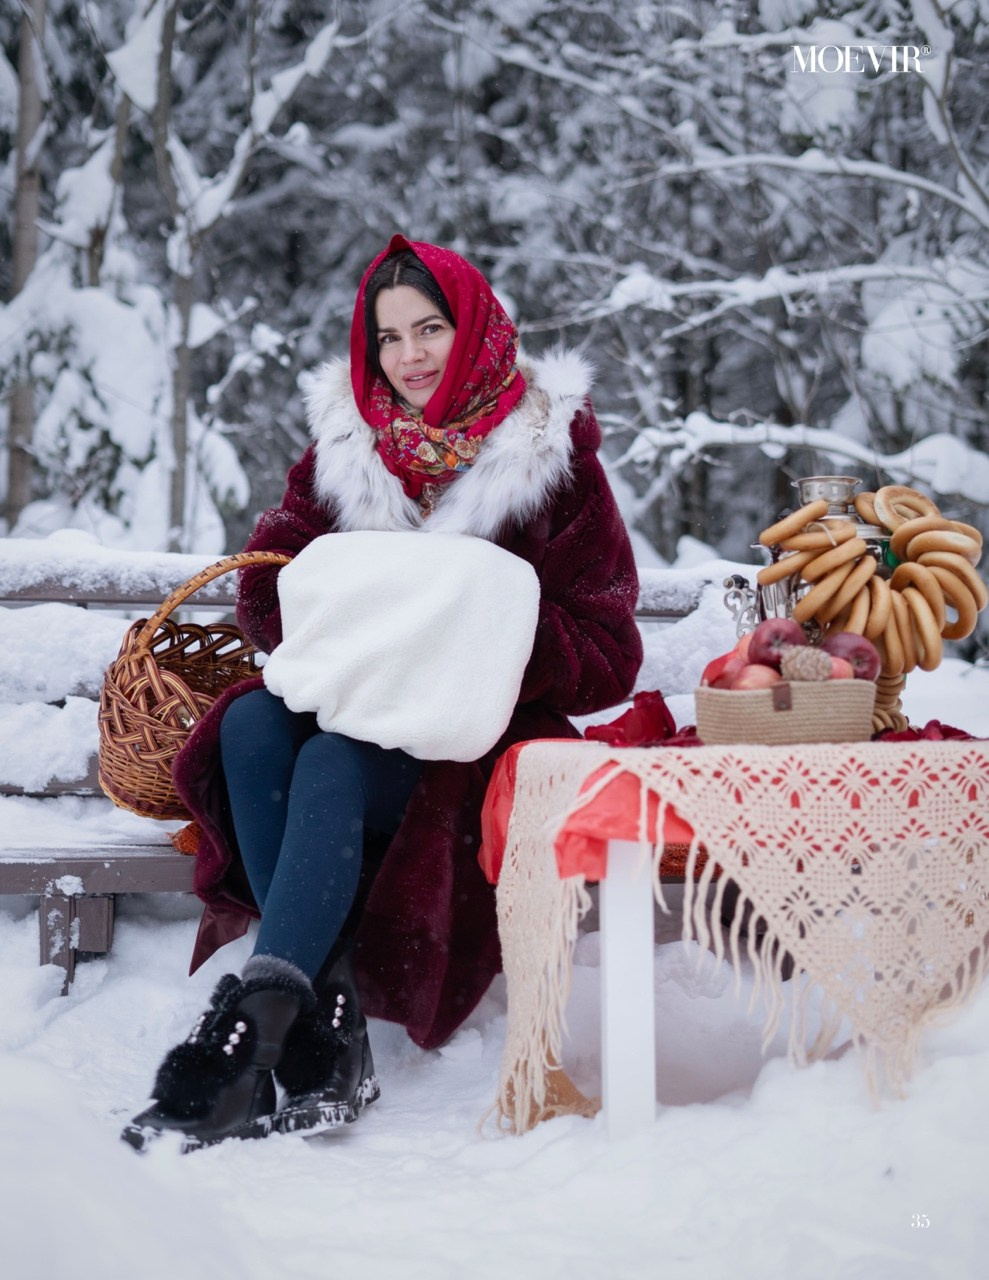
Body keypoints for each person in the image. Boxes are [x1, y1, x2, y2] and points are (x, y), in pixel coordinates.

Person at [122, 235, 643, 1152]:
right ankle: (326, 1027)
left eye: (429, 328)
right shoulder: (347, 449)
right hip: (356, 712)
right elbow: (266, 584)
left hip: (467, 747)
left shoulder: (548, 461)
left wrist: (471, 631)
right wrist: (359, 617)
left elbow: (606, 649)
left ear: (473, 328)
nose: (408, 357)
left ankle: (246, 1046)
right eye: (387, 337)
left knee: (329, 760)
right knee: (249, 724)